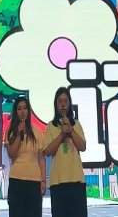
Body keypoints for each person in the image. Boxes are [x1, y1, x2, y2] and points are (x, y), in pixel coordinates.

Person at [44, 87, 87, 217]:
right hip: (58, 181)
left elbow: (82, 147)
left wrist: (71, 130)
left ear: (69, 104)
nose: (63, 104)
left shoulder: (76, 124)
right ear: (56, 104)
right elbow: (48, 151)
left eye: (66, 101)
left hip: (76, 180)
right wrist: (62, 134)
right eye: (60, 101)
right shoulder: (51, 126)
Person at [4, 96, 46, 217]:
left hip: (34, 181)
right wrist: (18, 133)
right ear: (15, 112)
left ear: (29, 110)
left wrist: (43, 180)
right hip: (16, 179)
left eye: (25, 108)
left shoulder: (37, 132)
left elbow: (41, 158)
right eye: (19, 109)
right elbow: (11, 154)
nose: (22, 111)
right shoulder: (10, 131)